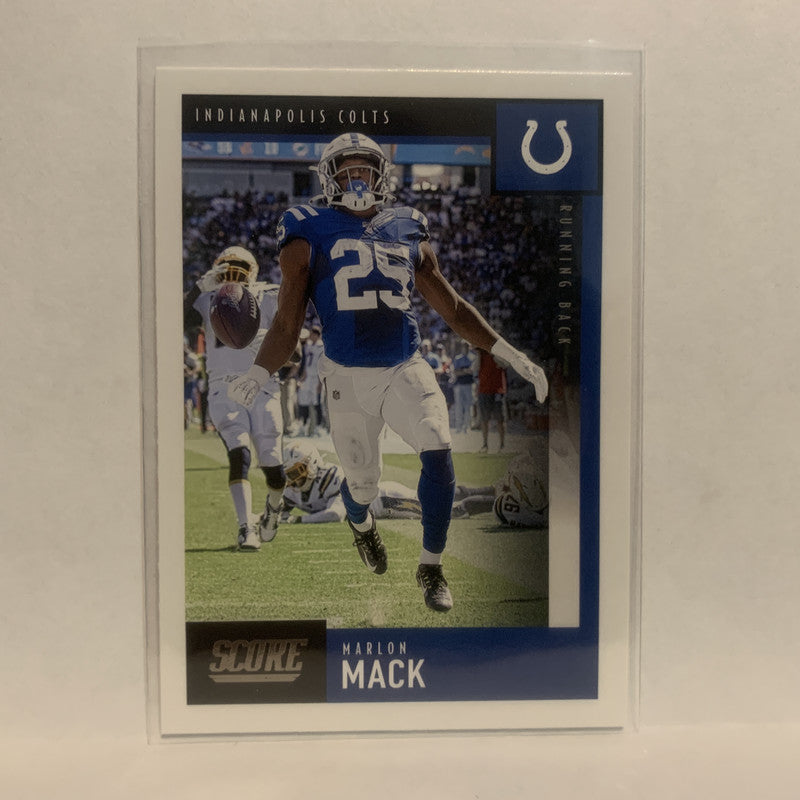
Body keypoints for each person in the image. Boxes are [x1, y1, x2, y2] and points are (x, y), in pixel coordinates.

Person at [227, 132, 548, 611]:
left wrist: (508, 352)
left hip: (405, 365)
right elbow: (289, 322)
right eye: (347, 170)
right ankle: (361, 524)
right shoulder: (305, 228)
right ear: (330, 179)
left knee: (437, 445)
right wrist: (257, 374)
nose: (357, 177)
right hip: (345, 376)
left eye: (365, 169)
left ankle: (431, 567)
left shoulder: (407, 225)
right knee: (361, 486)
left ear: (381, 175)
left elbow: (453, 307)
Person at [184, 246, 287, 552]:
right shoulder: (207, 297)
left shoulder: (269, 295)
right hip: (223, 386)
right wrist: (198, 287)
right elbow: (175, 320)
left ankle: (274, 505)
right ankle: (246, 527)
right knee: (239, 453)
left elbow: (292, 349)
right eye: (226, 265)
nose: (232, 270)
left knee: (272, 462)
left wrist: (269, 341)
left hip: (263, 383)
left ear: (252, 269)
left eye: (239, 264)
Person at [477, 349, 508, 453]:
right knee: (484, 419)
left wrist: (494, 354)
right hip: (484, 390)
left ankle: (502, 445)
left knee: (500, 419)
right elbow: (475, 368)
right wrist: (479, 355)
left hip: (497, 391)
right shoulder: (481, 354)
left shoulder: (499, 353)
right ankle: (485, 445)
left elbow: (505, 364)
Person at [297, 325, 325, 436]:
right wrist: (302, 374)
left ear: (318, 335)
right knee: (303, 401)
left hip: (316, 378)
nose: (311, 336)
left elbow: (322, 366)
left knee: (317, 403)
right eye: (311, 334)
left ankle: (318, 427)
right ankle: (304, 425)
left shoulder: (321, 347)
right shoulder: (307, 346)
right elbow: (303, 361)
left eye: (314, 334)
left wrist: (320, 382)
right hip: (307, 377)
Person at [450, 340, 476, 433]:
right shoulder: (458, 358)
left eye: (467, 346)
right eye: (463, 346)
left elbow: (473, 371)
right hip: (459, 385)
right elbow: (456, 372)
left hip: (469, 385)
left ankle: (467, 427)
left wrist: (462, 371)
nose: (465, 347)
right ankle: (458, 427)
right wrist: (465, 371)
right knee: (459, 406)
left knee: (468, 406)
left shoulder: (473, 358)